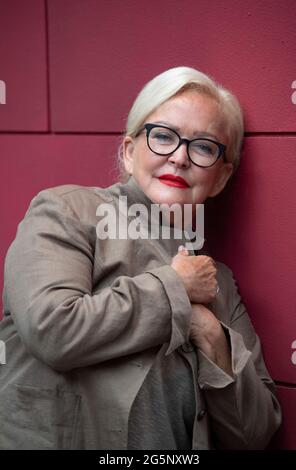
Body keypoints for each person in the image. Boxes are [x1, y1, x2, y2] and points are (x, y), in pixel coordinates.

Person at [0, 66, 281, 450]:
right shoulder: (68, 213)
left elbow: (255, 434)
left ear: (220, 177)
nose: (180, 157)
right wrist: (175, 291)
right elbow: (53, 330)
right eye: (163, 136)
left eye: (202, 146)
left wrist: (211, 333)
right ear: (130, 153)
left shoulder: (218, 283)